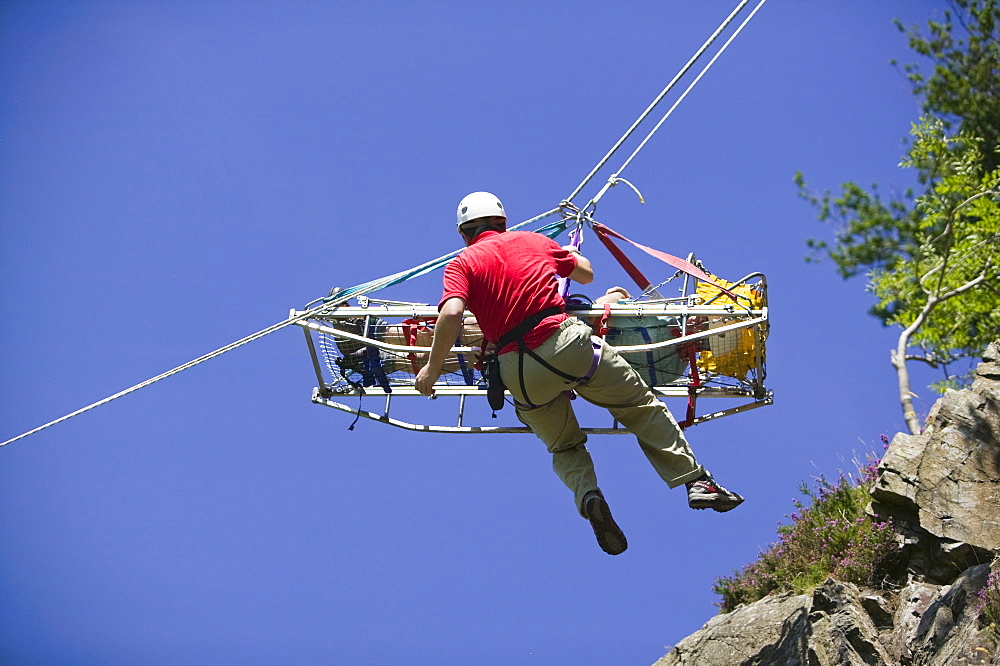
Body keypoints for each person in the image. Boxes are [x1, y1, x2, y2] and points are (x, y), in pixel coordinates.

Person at [414, 192, 744, 555]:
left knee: (563, 444)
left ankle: (588, 497)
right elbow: (585, 274)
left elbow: (451, 314)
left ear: (464, 233)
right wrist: (565, 253)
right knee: (639, 407)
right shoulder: (533, 241)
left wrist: (431, 369)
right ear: (503, 223)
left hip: (520, 371)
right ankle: (695, 482)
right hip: (565, 344)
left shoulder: (463, 263)